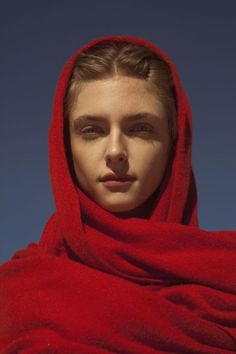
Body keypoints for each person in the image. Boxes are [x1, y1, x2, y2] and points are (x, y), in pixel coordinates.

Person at [0, 35, 235, 353]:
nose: (115, 151)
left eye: (140, 128)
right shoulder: (16, 295)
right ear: (65, 145)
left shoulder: (227, 282)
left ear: (174, 145)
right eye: (92, 130)